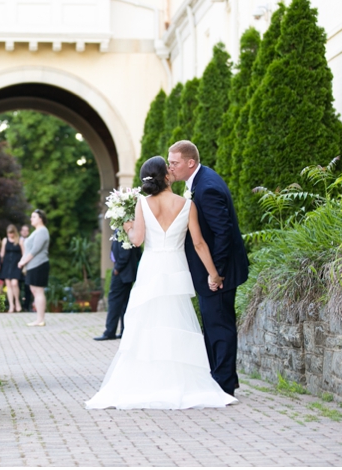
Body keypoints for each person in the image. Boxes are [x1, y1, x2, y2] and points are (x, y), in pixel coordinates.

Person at [86, 156, 237, 409]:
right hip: (176, 268)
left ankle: (149, 381)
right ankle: (179, 380)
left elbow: (137, 240)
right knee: (176, 320)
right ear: (166, 177)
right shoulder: (187, 204)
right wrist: (213, 273)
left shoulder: (143, 204)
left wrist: (126, 224)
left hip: (152, 267)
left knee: (148, 323)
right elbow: (199, 244)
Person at [168, 140, 249, 396]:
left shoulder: (207, 188)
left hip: (217, 272)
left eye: (175, 163)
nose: (170, 167)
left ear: (190, 163)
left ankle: (223, 384)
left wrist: (217, 273)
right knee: (214, 325)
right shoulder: (198, 182)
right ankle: (224, 377)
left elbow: (222, 232)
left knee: (219, 326)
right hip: (210, 270)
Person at [93, 231, 141, 340]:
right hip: (128, 272)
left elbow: (125, 253)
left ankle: (110, 331)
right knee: (124, 303)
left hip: (122, 273)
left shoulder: (124, 230)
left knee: (114, 302)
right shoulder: (127, 229)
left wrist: (117, 269)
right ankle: (125, 331)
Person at [17, 210, 50, 327]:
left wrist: (23, 262)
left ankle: (40, 319)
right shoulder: (36, 232)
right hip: (33, 265)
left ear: (40, 218)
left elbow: (35, 250)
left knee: (38, 291)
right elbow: (28, 249)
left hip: (39, 265)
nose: (31, 219)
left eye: (34, 217)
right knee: (34, 291)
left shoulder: (42, 231)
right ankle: (38, 319)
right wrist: (23, 261)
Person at [0, 224, 25, 313]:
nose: (10, 235)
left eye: (11, 233)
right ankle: (11, 305)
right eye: (8, 233)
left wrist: (23, 263)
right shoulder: (5, 240)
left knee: (14, 283)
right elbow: (2, 253)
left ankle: (17, 301)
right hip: (7, 265)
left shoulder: (20, 241)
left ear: (14, 232)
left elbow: (24, 253)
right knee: (8, 285)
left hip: (16, 265)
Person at [18, 224, 33, 312]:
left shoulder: (30, 241)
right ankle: (18, 305)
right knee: (17, 286)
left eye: (26, 230)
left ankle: (27, 306)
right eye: (23, 230)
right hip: (17, 267)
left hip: (28, 266)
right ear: (20, 231)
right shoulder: (17, 241)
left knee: (28, 287)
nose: (24, 232)